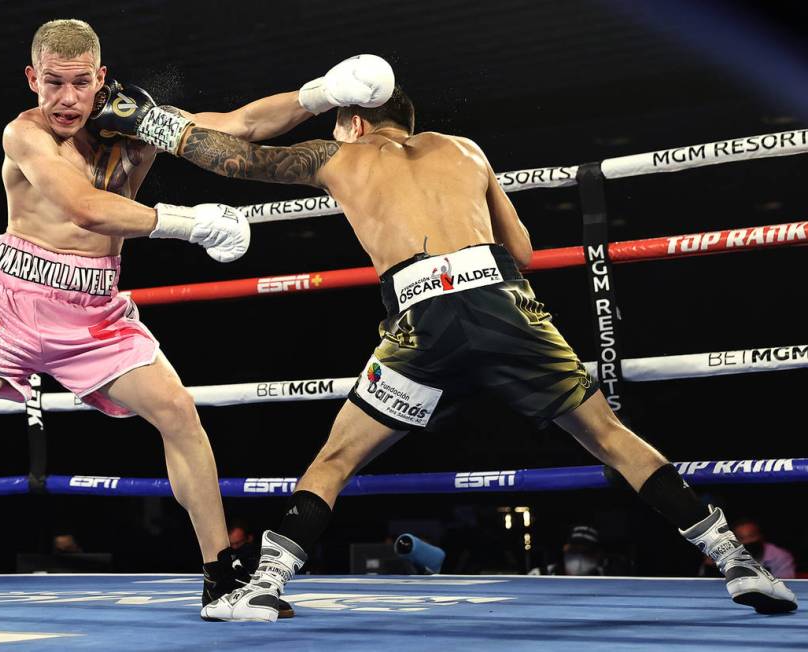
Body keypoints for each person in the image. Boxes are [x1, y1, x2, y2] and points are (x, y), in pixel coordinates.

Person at [94, 83, 797, 620]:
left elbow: (237, 154)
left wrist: (142, 120)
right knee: (610, 436)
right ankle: (737, 561)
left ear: (357, 120)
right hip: (502, 301)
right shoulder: (466, 150)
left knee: (337, 458)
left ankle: (268, 581)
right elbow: (520, 251)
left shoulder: (344, 154)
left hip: (421, 316)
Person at [0, 18, 392, 620]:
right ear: (32, 78)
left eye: (81, 83)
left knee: (178, 413)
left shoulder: (139, 125)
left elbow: (239, 129)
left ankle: (220, 580)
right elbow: (83, 207)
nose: (67, 99)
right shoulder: (26, 134)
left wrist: (321, 93)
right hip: (9, 305)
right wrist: (189, 222)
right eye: (54, 83)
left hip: (97, 312)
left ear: (102, 79)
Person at [701, 518, 797, 580]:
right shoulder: (723, 554)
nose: (748, 541)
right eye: (742, 538)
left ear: (761, 536)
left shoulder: (780, 556)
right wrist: (711, 568)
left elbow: (787, 584)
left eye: (752, 536)